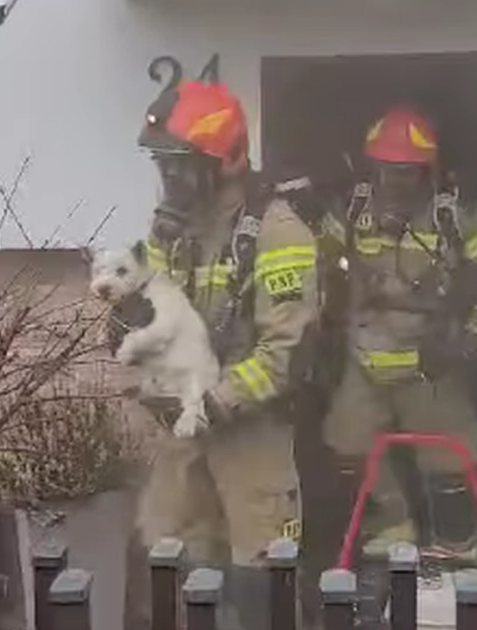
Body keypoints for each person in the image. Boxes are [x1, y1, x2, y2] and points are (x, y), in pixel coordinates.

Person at [118, 68, 321, 630]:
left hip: (249, 438)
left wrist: (213, 402)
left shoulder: (279, 234)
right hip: (183, 437)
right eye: (163, 166)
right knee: (167, 571)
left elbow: (287, 350)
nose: (169, 178)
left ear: (223, 160)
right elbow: (152, 312)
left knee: (261, 586)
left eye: (178, 165)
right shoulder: (177, 230)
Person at [316, 103, 477, 569]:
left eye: (406, 172)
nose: (395, 183)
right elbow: (314, 265)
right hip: (364, 358)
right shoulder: (351, 209)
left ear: (428, 171)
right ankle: (391, 532)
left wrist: (469, 339)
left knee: (451, 459)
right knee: (348, 446)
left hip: (432, 361)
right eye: (386, 171)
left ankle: (456, 547)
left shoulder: (460, 215)